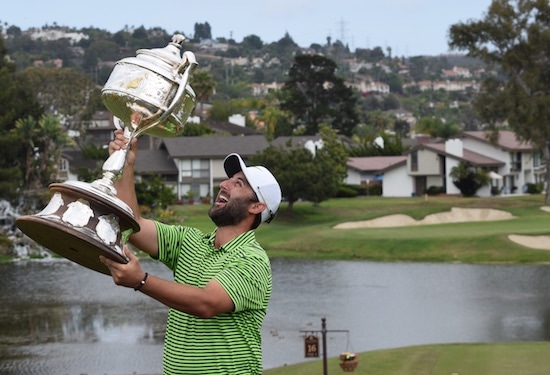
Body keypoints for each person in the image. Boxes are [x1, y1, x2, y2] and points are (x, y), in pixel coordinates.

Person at [100, 129, 282, 374]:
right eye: (229, 179)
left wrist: (141, 281)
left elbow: (206, 303)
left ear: (257, 206)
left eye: (238, 184)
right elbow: (135, 225)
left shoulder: (252, 260)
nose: (224, 184)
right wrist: (126, 165)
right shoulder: (190, 242)